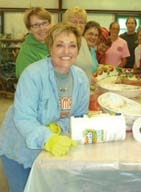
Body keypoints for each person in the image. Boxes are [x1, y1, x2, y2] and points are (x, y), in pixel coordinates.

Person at [0, 23, 90, 192]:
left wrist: (59, 127)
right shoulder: (33, 74)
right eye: (60, 45)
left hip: (52, 151)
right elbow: (24, 118)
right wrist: (48, 138)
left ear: (78, 49)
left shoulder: (80, 78)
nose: (66, 51)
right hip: (20, 147)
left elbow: (79, 116)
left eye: (72, 45)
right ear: (50, 47)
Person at [15, 7, 52, 78]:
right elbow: (26, 81)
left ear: (50, 24)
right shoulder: (26, 53)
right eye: (36, 25)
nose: (42, 28)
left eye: (44, 23)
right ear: (29, 29)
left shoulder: (55, 44)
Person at [62, 6, 93, 82]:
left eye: (81, 22)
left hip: (85, 89)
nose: (78, 25)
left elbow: (85, 68)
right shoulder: (63, 42)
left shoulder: (83, 41)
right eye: (74, 22)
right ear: (66, 23)